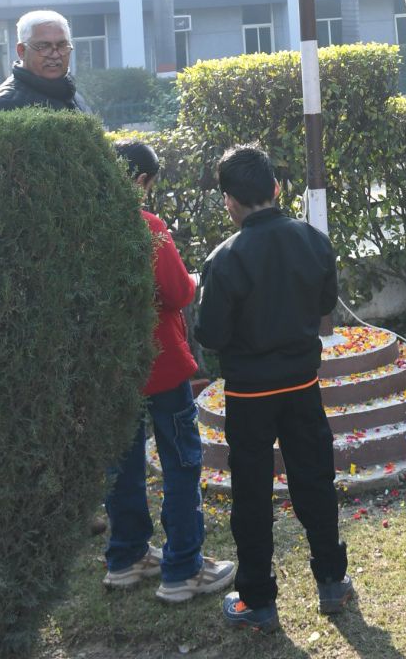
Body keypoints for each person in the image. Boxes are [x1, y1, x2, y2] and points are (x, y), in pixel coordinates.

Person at [195, 145, 351, 635]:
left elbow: (211, 335)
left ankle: (258, 600)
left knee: (251, 495)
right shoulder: (313, 240)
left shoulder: (224, 259)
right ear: (276, 188)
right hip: (302, 384)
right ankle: (332, 581)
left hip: (250, 395)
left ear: (229, 201)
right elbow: (325, 302)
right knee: (315, 481)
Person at [103, 141, 235, 603]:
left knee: (123, 462)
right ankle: (183, 569)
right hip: (159, 361)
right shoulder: (147, 226)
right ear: (141, 180)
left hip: (113, 367)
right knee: (181, 461)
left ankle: (126, 557)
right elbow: (179, 292)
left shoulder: (85, 226)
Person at [0, 9, 93, 112]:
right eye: (43, 46)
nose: (55, 55)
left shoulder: (70, 94)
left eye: (62, 45)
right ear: (22, 51)